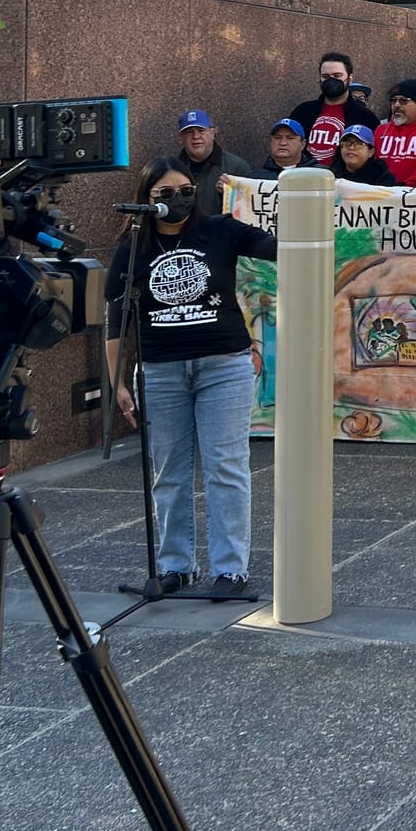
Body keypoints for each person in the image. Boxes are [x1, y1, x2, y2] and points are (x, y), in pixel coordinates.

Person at [106, 157, 278, 600]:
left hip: (223, 365)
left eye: (185, 189)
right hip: (160, 370)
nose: (178, 198)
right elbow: (114, 318)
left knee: (226, 467)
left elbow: (279, 246)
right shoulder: (133, 248)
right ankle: (175, 566)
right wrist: (117, 382)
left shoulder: (220, 230)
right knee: (169, 471)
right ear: (147, 200)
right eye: (164, 193)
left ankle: (230, 570)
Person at [289, 52, 380, 164]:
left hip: (344, 179)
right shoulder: (303, 112)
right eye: (325, 76)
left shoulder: (365, 117)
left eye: (337, 76)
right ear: (319, 79)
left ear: (350, 79)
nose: (331, 81)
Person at [173, 109, 251, 217]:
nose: (196, 136)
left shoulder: (237, 167)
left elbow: (250, 211)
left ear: (213, 132)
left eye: (201, 130)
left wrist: (229, 195)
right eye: (189, 132)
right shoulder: (171, 168)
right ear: (181, 137)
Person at [330, 124, 398, 186]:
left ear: (371, 152)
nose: (351, 147)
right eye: (347, 143)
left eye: (359, 144)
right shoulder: (330, 175)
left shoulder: (383, 177)